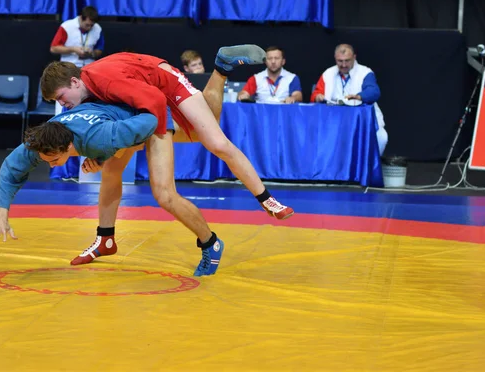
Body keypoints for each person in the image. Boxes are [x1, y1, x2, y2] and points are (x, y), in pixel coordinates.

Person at [38, 45, 294, 267]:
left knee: (214, 141)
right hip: (140, 95)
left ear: (74, 82)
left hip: (163, 84)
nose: (63, 105)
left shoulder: (104, 82)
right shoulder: (84, 94)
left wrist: (135, 143)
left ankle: (266, 198)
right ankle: (105, 237)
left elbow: (155, 104)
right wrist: (107, 155)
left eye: (61, 98)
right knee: (112, 170)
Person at [0, 102, 223, 276]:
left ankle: (210, 242)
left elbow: (148, 123)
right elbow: (11, 170)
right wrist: (2, 216)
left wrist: (105, 155)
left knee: (164, 194)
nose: (50, 165)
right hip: (116, 119)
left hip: (149, 114)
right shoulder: (40, 142)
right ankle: (106, 240)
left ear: (69, 146)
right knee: (110, 174)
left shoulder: (100, 138)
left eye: (54, 160)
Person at [48, 5, 105, 180]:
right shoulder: (67, 26)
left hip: (86, 78)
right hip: (67, 76)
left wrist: (90, 52)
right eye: (87, 25)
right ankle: (61, 171)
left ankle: (81, 171)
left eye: (91, 26)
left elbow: (100, 51)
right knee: (62, 122)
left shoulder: (98, 29)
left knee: (83, 124)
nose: (89, 28)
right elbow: (54, 48)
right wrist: (74, 49)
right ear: (81, 18)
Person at [310, 44, 388, 155]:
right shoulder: (328, 73)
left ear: (354, 57)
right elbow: (316, 94)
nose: (343, 65)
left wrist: (360, 96)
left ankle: (369, 168)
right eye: (340, 61)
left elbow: (374, 91)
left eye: (347, 61)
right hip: (334, 123)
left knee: (381, 137)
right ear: (335, 58)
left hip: (362, 123)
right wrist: (317, 97)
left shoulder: (365, 72)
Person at [237, 46, 303, 104]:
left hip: (283, 115)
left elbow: (298, 95)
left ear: (283, 61)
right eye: (270, 58)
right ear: (265, 61)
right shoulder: (256, 78)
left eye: (276, 58)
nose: (273, 62)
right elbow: (243, 93)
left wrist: (293, 98)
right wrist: (243, 95)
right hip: (261, 115)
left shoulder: (292, 78)